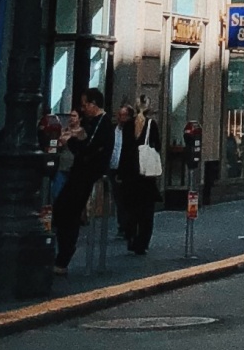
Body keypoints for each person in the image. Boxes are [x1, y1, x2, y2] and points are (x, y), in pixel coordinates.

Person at [51, 87, 113, 271]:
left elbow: (88, 147)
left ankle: (63, 257)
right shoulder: (93, 122)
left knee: (67, 211)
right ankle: (62, 255)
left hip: (86, 172)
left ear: (94, 105)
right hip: (82, 171)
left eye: (85, 105)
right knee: (64, 210)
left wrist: (70, 142)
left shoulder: (101, 123)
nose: (83, 108)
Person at [110, 95, 162, 257]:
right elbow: (157, 147)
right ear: (148, 108)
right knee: (146, 213)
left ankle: (131, 238)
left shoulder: (127, 126)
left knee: (131, 209)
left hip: (129, 175)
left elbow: (124, 151)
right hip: (145, 176)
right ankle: (142, 243)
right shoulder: (151, 125)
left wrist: (120, 172)